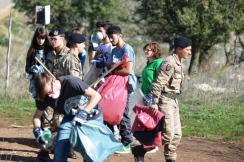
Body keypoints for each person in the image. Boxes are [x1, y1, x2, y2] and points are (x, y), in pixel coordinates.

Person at [32, 73, 121, 162]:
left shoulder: (71, 82)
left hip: (92, 116)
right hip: (70, 118)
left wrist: (84, 113)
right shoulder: (45, 96)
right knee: (60, 148)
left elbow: (96, 96)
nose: (50, 96)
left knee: (92, 154)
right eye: (47, 94)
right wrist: (37, 130)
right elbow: (37, 116)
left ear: (53, 81)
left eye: (50, 92)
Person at [149, 37, 192, 162]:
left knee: (177, 135)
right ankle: (141, 147)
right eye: (187, 50)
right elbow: (158, 84)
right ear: (179, 49)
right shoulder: (169, 62)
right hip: (165, 101)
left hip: (173, 101)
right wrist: (154, 103)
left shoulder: (178, 62)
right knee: (168, 135)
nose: (189, 52)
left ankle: (170, 159)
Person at [106, 25, 137, 153]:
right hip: (114, 85)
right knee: (110, 111)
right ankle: (112, 138)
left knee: (122, 113)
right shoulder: (113, 50)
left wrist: (115, 70)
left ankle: (126, 142)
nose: (110, 39)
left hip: (125, 85)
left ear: (119, 35)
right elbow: (110, 67)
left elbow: (127, 70)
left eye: (112, 36)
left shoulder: (127, 49)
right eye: (108, 37)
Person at [85, 21, 114, 86]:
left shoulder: (112, 46)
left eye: (100, 31)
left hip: (106, 80)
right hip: (96, 79)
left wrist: (103, 64)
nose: (98, 33)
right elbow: (91, 62)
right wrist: (93, 45)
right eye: (97, 31)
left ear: (107, 32)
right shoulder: (100, 45)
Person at [25, 26, 50, 98]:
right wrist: (32, 68)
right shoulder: (32, 50)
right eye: (39, 38)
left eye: (43, 38)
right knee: (38, 101)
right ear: (35, 38)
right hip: (35, 80)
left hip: (47, 79)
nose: (41, 40)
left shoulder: (48, 50)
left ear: (45, 38)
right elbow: (27, 68)